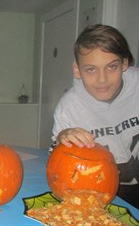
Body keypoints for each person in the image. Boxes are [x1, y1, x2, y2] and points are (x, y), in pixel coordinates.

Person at [49, 24, 139, 208]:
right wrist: (62, 137)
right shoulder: (69, 107)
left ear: (124, 63)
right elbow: (57, 165)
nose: (102, 79)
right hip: (98, 190)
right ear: (77, 70)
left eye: (111, 67)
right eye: (91, 69)